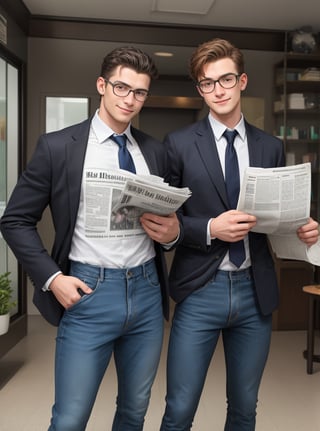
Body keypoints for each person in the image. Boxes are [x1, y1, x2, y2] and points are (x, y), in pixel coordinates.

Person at [0, 46, 179, 431]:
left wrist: (170, 236)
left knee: (134, 411)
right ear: (102, 85)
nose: (129, 100)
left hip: (147, 292)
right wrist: (53, 278)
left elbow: (168, 224)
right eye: (121, 87)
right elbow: (14, 220)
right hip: (88, 292)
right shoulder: (58, 147)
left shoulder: (155, 151)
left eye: (140, 92)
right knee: (70, 418)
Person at [160, 38, 319, 431]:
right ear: (200, 89)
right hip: (199, 289)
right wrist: (212, 228)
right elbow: (166, 223)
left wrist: (305, 226)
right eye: (207, 83)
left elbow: (279, 217)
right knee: (179, 408)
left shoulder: (271, 146)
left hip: (254, 290)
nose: (218, 90)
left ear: (242, 80)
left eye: (226, 79)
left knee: (245, 408)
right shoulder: (178, 144)